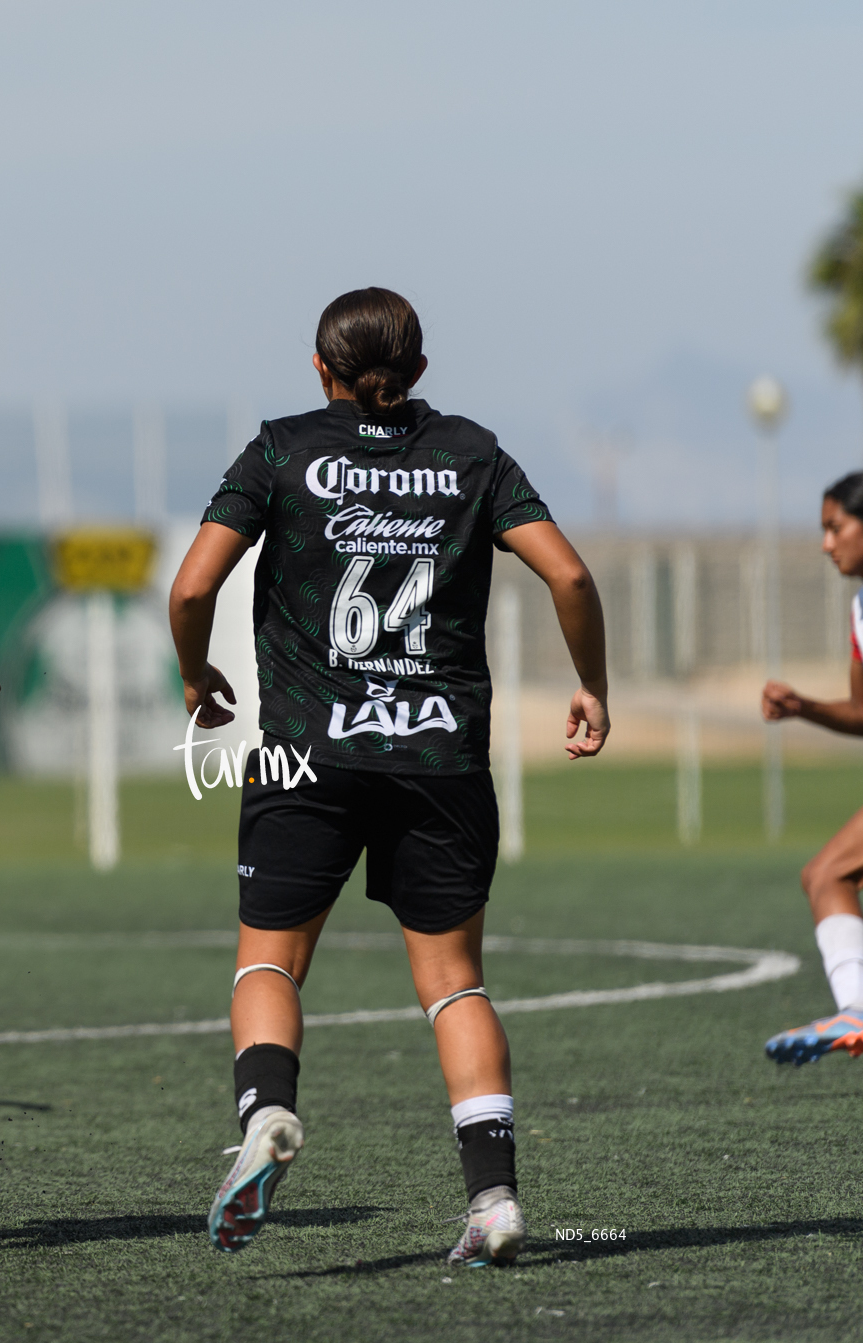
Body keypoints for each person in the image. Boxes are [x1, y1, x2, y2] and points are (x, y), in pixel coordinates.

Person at [167, 287, 609, 1268]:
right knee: (452, 983)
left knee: (266, 964)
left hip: (303, 754)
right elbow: (570, 577)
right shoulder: (470, 453)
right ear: (417, 368)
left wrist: (196, 675)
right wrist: (591, 687)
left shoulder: (280, 449)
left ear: (319, 368)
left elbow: (193, 582)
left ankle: (266, 1115)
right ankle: (492, 1202)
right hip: (437, 755)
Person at [760, 472, 863, 1066]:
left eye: (836, 527)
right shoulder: (860, 609)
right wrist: (805, 708)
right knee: (828, 877)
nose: (827, 544)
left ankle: (855, 1006)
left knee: (828, 875)